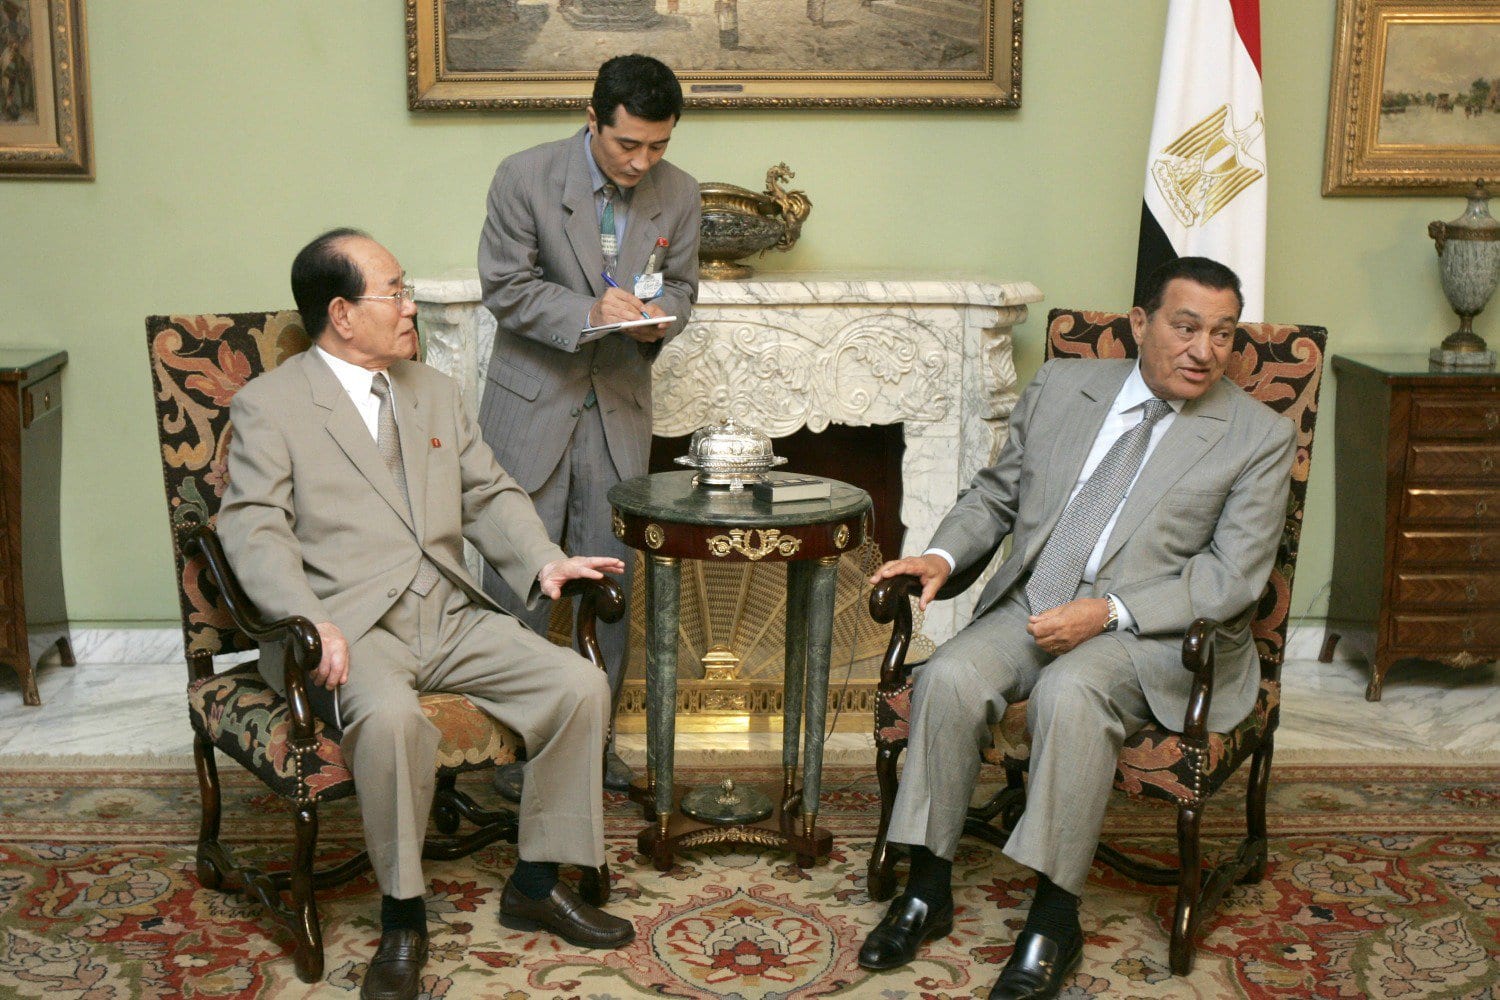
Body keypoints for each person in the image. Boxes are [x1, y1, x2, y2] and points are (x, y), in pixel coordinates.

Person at [856, 257, 1296, 1000]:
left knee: (1069, 693)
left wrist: (1112, 612)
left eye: (1222, 334)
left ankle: (1053, 919)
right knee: (951, 678)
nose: (1204, 350)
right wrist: (938, 554)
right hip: (1041, 594)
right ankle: (926, 890)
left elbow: (1231, 577)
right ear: (1141, 324)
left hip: (1151, 632)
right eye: (1185, 327)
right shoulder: (1062, 387)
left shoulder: (1256, 436)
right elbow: (997, 497)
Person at [219, 230, 636, 1000]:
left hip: (447, 610)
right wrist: (312, 620)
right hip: (349, 626)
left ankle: (537, 880)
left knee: (578, 686)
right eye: (396, 292)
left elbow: (486, 491)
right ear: (342, 314)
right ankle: (403, 916)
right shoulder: (270, 405)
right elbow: (253, 528)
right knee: (395, 723)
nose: (411, 306)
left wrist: (543, 557)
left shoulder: (432, 389)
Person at [476, 53, 700, 795]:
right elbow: (505, 289)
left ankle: (595, 748)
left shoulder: (683, 195)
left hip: (618, 417)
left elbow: (683, 288)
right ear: (592, 117)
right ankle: (507, 750)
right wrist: (586, 314)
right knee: (518, 590)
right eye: (627, 144)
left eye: (658, 146)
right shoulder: (524, 176)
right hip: (530, 408)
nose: (642, 161)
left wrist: (656, 325)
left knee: (612, 591)